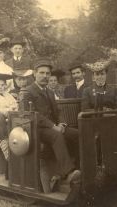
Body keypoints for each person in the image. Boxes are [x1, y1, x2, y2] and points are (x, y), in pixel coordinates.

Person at [19, 58, 80, 191]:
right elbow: (33, 115)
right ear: (34, 74)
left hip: (53, 127)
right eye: (41, 73)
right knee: (56, 136)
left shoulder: (50, 92)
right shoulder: (27, 92)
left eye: (47, 73)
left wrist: (62, 123)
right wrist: (54, 126)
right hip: (35, 129)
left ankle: (79, 168)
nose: (45, 76)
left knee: (77, 134)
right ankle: (68, 173)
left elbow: (58, 111)